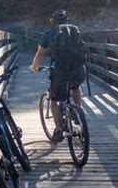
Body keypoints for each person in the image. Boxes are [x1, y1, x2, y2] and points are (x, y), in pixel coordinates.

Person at [29, 9, 85, 142]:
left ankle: (59, 130)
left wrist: (34, 67)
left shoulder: (49, 33)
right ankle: (78, 110)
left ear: (52, 21)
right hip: (78, 68)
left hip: (60, 70)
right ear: (66, 20)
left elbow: (40, 53)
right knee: (75, 86)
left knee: (54, 100)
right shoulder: (74, 30)